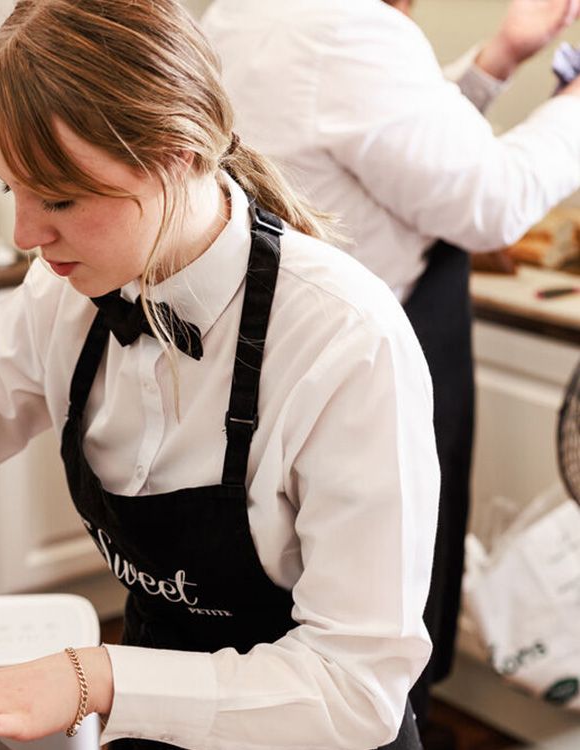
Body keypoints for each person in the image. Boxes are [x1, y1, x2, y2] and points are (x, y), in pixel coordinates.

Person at [0, 1, 440, 748]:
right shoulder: (62, 296)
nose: (24, 234)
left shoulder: (346, 341)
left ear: (180, 154)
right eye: (7, 187)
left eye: (59, 196)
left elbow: (356, 689)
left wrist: (96, 677)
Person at [201, 0, 580, 732]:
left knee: (290, 610)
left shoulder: (243, 13)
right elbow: (492, 201)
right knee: (379, 626)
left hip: (273, 367)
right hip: (368, 370)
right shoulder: (347, 27)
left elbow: (385, 138)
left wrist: (499, 56)